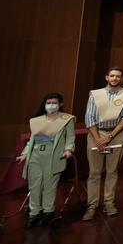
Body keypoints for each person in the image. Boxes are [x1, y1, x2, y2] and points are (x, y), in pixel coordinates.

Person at [17, 93, 75, 228]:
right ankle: (34, 213)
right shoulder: (37, 120)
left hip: (54, 155)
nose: (51, 105)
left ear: (60, 104)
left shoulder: (67, 119)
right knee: (34, 186)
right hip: (36, 155)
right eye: (48, 102)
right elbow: (32, 140)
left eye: (54, 102)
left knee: (49, 186)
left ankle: (48, 212)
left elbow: (70, 138)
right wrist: (24, 154)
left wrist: (68, 150)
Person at [83, 67, 123, 222]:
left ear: (122, 78)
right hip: (95, 134)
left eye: (118, 76)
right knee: (94, 173)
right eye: (111, 75)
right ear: (107, 77)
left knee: (112, 172)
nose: (114, 78)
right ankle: (91, 205)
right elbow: (89, 117)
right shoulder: (95, 94)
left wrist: (110, 136)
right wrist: (98, 138)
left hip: (116, 135)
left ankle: (108, 203)